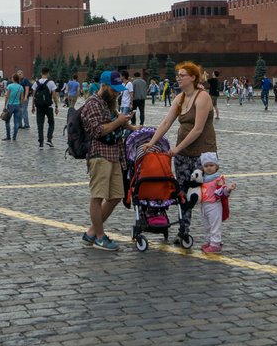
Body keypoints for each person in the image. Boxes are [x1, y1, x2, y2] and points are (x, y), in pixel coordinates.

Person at [144, 61, 216, 210]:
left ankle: (212, 230)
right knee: (182, 192)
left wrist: (176, 149)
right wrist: (151, 142)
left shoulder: (203, 97)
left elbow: (197, 129)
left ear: (193, 78)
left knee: (205, 194)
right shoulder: (179, 98)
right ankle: (184, 229)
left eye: (182, 75)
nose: (178, 78)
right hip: (183, 154)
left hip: (203, 154)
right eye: (178, 75)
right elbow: (166, 123)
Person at [80, 71, 136, 251]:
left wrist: (132, 125)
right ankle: (99, 237)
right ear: (103, 86)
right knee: (97, 196)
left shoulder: (109, 102)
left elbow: (118, 120)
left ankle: (91, 232)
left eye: (119, 90)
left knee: (116, 196)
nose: (117, 93)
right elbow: (98, 130)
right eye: (114, 90)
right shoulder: (92, 104)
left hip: (114, 153)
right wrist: (119, 121)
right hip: (99, 155)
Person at [198, 151, 235, 254]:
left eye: (211, 165)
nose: (209, 168)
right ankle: (210, 241)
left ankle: (215, 244)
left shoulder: (218, 179)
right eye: (206, 166)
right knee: (207, 225)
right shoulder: (202, 179)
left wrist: (228, 189)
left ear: (216, 167)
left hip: (214, 205)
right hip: (204, 205)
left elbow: (222, 191)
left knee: (215, 225)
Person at [32, 67, 58, 147]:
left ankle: (40, 143)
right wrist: (56, 106)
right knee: (51, 123)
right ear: (48, 73)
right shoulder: (51, 83)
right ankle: (49, 139)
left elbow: (33, 95)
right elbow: (54, 95)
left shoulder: (36, 83)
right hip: (48, 106)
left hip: (39, 106)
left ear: (41, 73)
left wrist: (33, 106)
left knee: (40, 124)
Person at [2, 73, 23, 141]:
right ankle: (14, 137)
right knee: (16, 122)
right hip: (17, 105)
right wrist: (21, 105)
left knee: (7, 121)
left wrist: (5, 105)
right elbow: (21, 98)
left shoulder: (10, 86)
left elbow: (7, 96)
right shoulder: (20, 87)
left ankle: (8, 136)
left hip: (10, 105)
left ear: (13, 79)